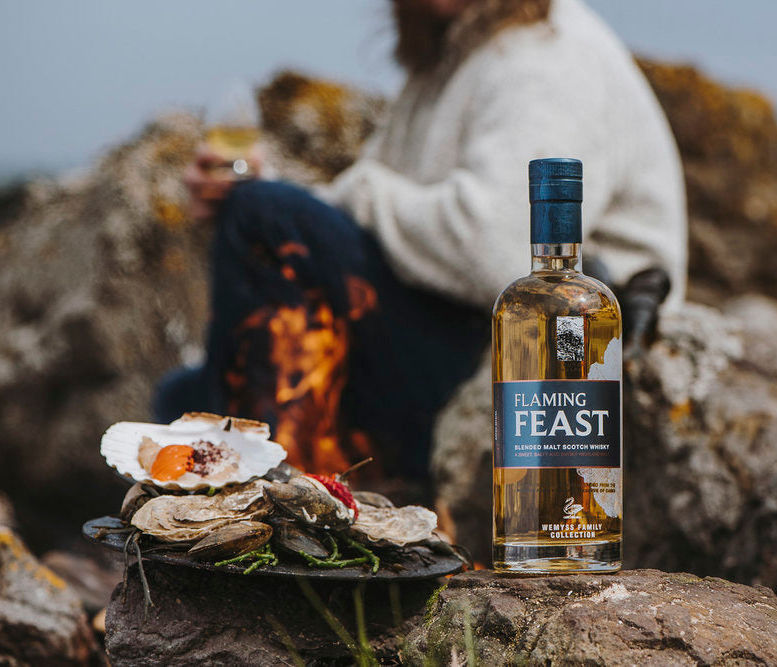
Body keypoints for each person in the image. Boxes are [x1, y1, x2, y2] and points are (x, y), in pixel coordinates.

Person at [160, 0, 687, 487]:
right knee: (180, 400)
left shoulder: (549, 54)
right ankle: (267, 486)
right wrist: (264, 189)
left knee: (265, 216)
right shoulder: (461, 44)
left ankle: (264, 505)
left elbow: (503, 250)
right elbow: (380, 218)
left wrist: (307, 205)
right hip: (453, 329)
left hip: (527, 368)